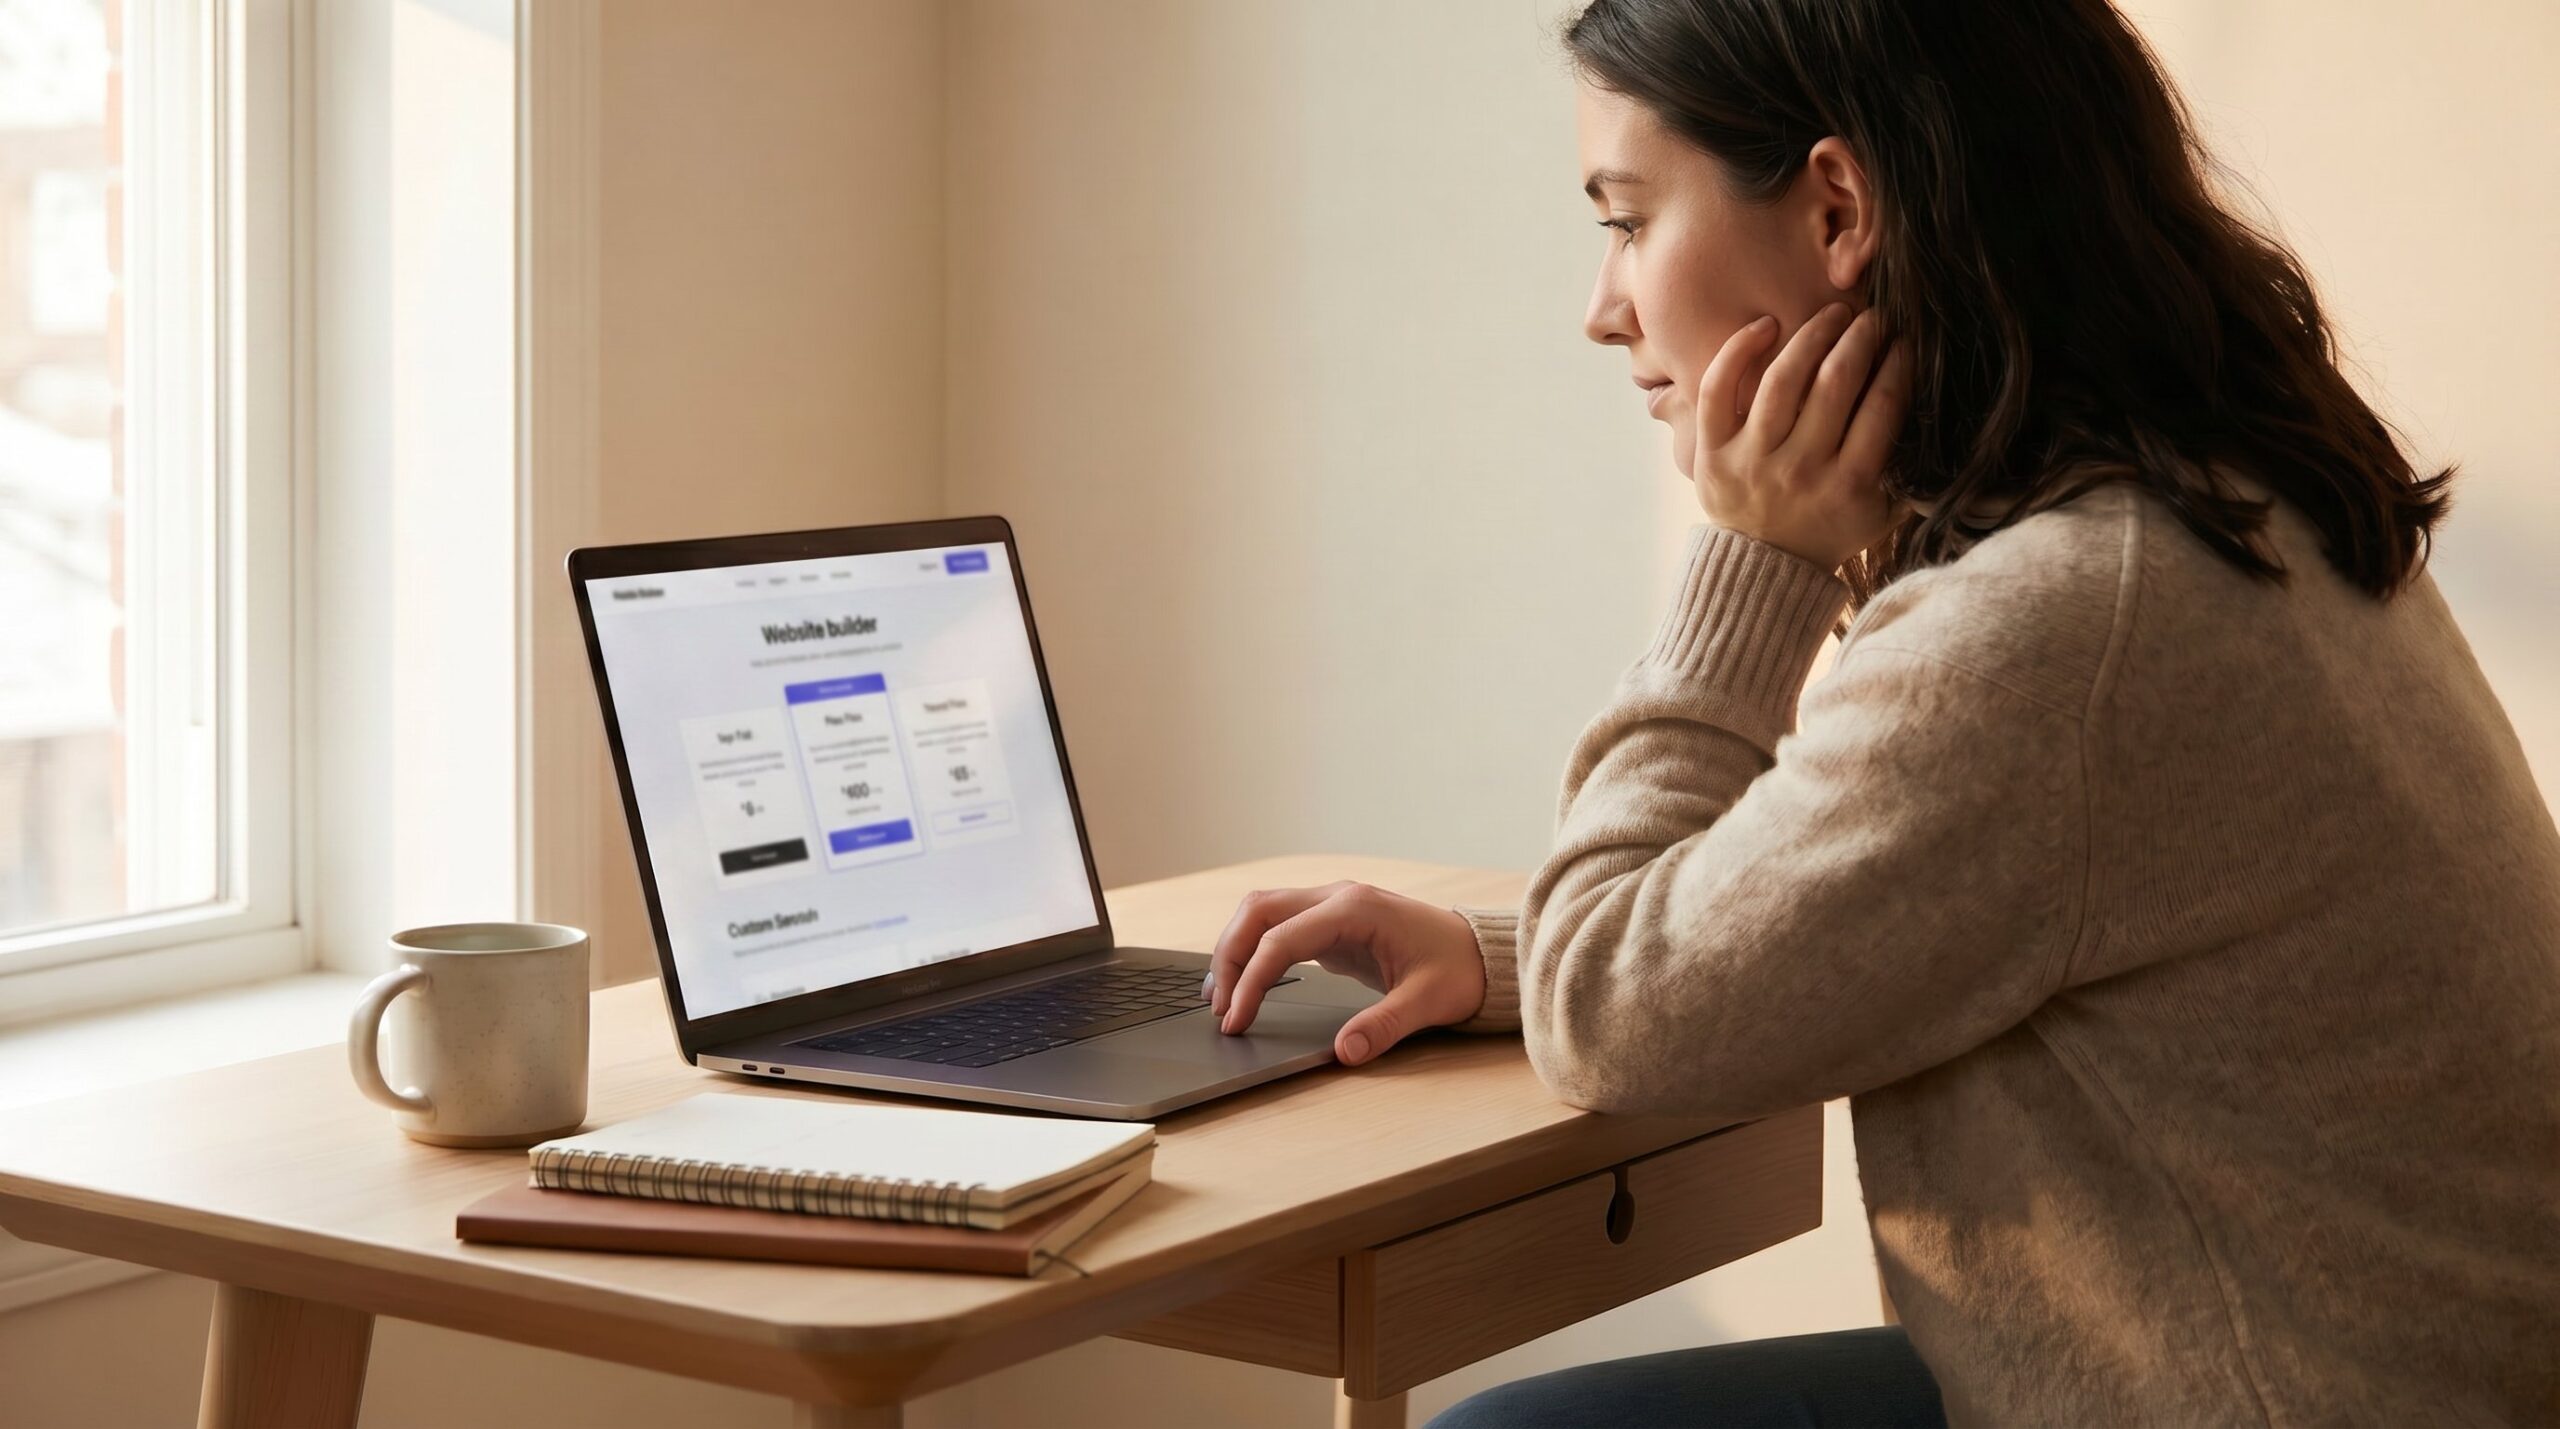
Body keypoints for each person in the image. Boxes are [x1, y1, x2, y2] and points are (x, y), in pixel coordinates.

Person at [1199, 0, 2560, 1423]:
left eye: (1626, 219)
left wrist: (1752, 554)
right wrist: (1510, 956)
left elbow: (1618, 1014)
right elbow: (1885, 902)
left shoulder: (2064, 622)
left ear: (1839, 207)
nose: (1601, 309)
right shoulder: (2217, 502)